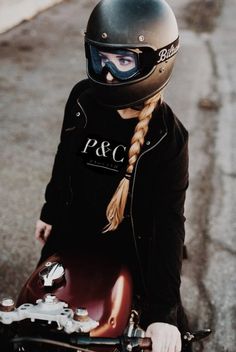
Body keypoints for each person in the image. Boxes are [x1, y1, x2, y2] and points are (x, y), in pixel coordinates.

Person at [35, 0, 191, 351]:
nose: (107, 74)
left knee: (162, 337)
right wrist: (50, 212)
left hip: (132, 252)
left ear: (157, 61)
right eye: (101, 57)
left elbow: (169, 222)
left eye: (124, 62)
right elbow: (65, 160)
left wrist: (164, 312)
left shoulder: (169, 138)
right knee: (38, 326)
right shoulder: (82, 99)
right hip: (73, 237)